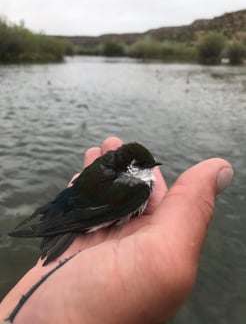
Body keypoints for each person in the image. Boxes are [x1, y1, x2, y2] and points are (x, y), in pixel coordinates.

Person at [0, 137, 233, 324]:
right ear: (130, 167)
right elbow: (96, 213)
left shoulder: (107, 163)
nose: (151, 169)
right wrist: (64, 224)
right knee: (74, 218)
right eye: (143, 166)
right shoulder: (137, 190)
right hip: (84, 216)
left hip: (76, 203)